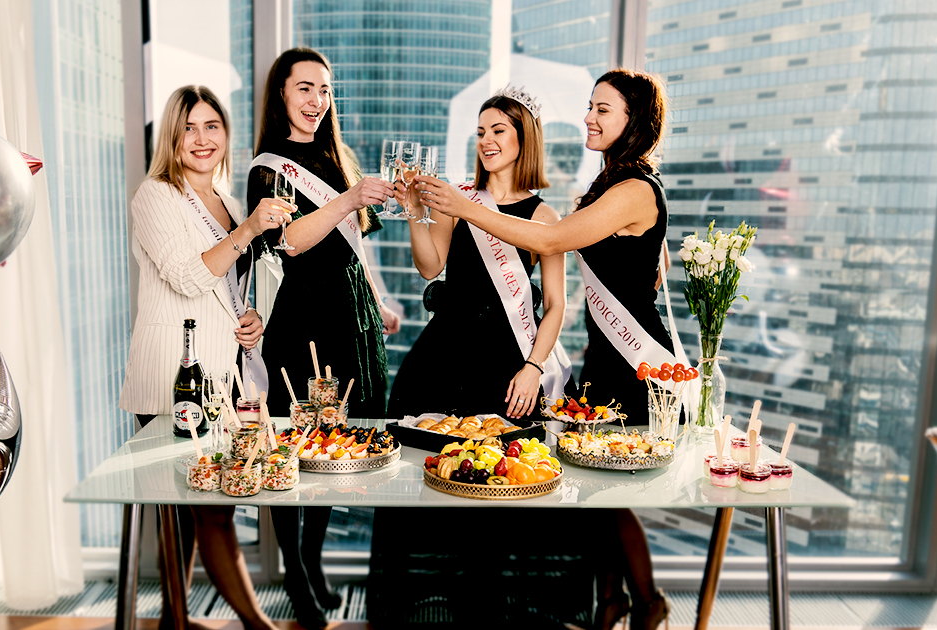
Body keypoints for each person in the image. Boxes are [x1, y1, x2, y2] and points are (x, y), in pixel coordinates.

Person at [420, 68, 674, 630]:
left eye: (603, 109)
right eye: (591, 106)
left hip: (635, 359)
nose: (588, 117)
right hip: (603, 354)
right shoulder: (607, 187)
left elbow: (553, 240)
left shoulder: (634, 189)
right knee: (600, 489)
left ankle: (646, 600)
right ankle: (612, 602)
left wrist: (465, 208)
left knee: (609, 488)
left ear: (634, 120)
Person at [119, 85, 288, 630]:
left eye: (211, 126)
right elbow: (188, 276)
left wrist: (252, 317)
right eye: (188, 127)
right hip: (175, 376)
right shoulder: (155, 196)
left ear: (225, 134)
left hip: (224, 377)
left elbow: (227, 289)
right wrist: (249, 229)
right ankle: (259, 626)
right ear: (172, 137)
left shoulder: (228, 202)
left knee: (198, 509)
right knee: (204, 509)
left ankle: (175, 620)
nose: (200, 138)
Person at [246, 47, 398, 630]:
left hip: (351, 312)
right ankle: (295, 570)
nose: (317, 100)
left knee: (338, 442)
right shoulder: (268, 168)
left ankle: (311, 557)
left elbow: (354, 243)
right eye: (305, 88)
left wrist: (378, 299)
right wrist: (349, 197)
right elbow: (289, 242)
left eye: (325, 90)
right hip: (305, 316)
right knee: (296, 443)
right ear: (281, 94)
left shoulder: (338, 156)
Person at [387, 87, 570, 422]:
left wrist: (534, 366)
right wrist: (413, 211)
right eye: (481, 132)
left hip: (507, 357)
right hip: (446, 351)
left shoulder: (544, 216)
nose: (487, 141)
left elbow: (557, 305)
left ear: (524, 138)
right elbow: (430, 268)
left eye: (498, 131)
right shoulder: (456, 197)